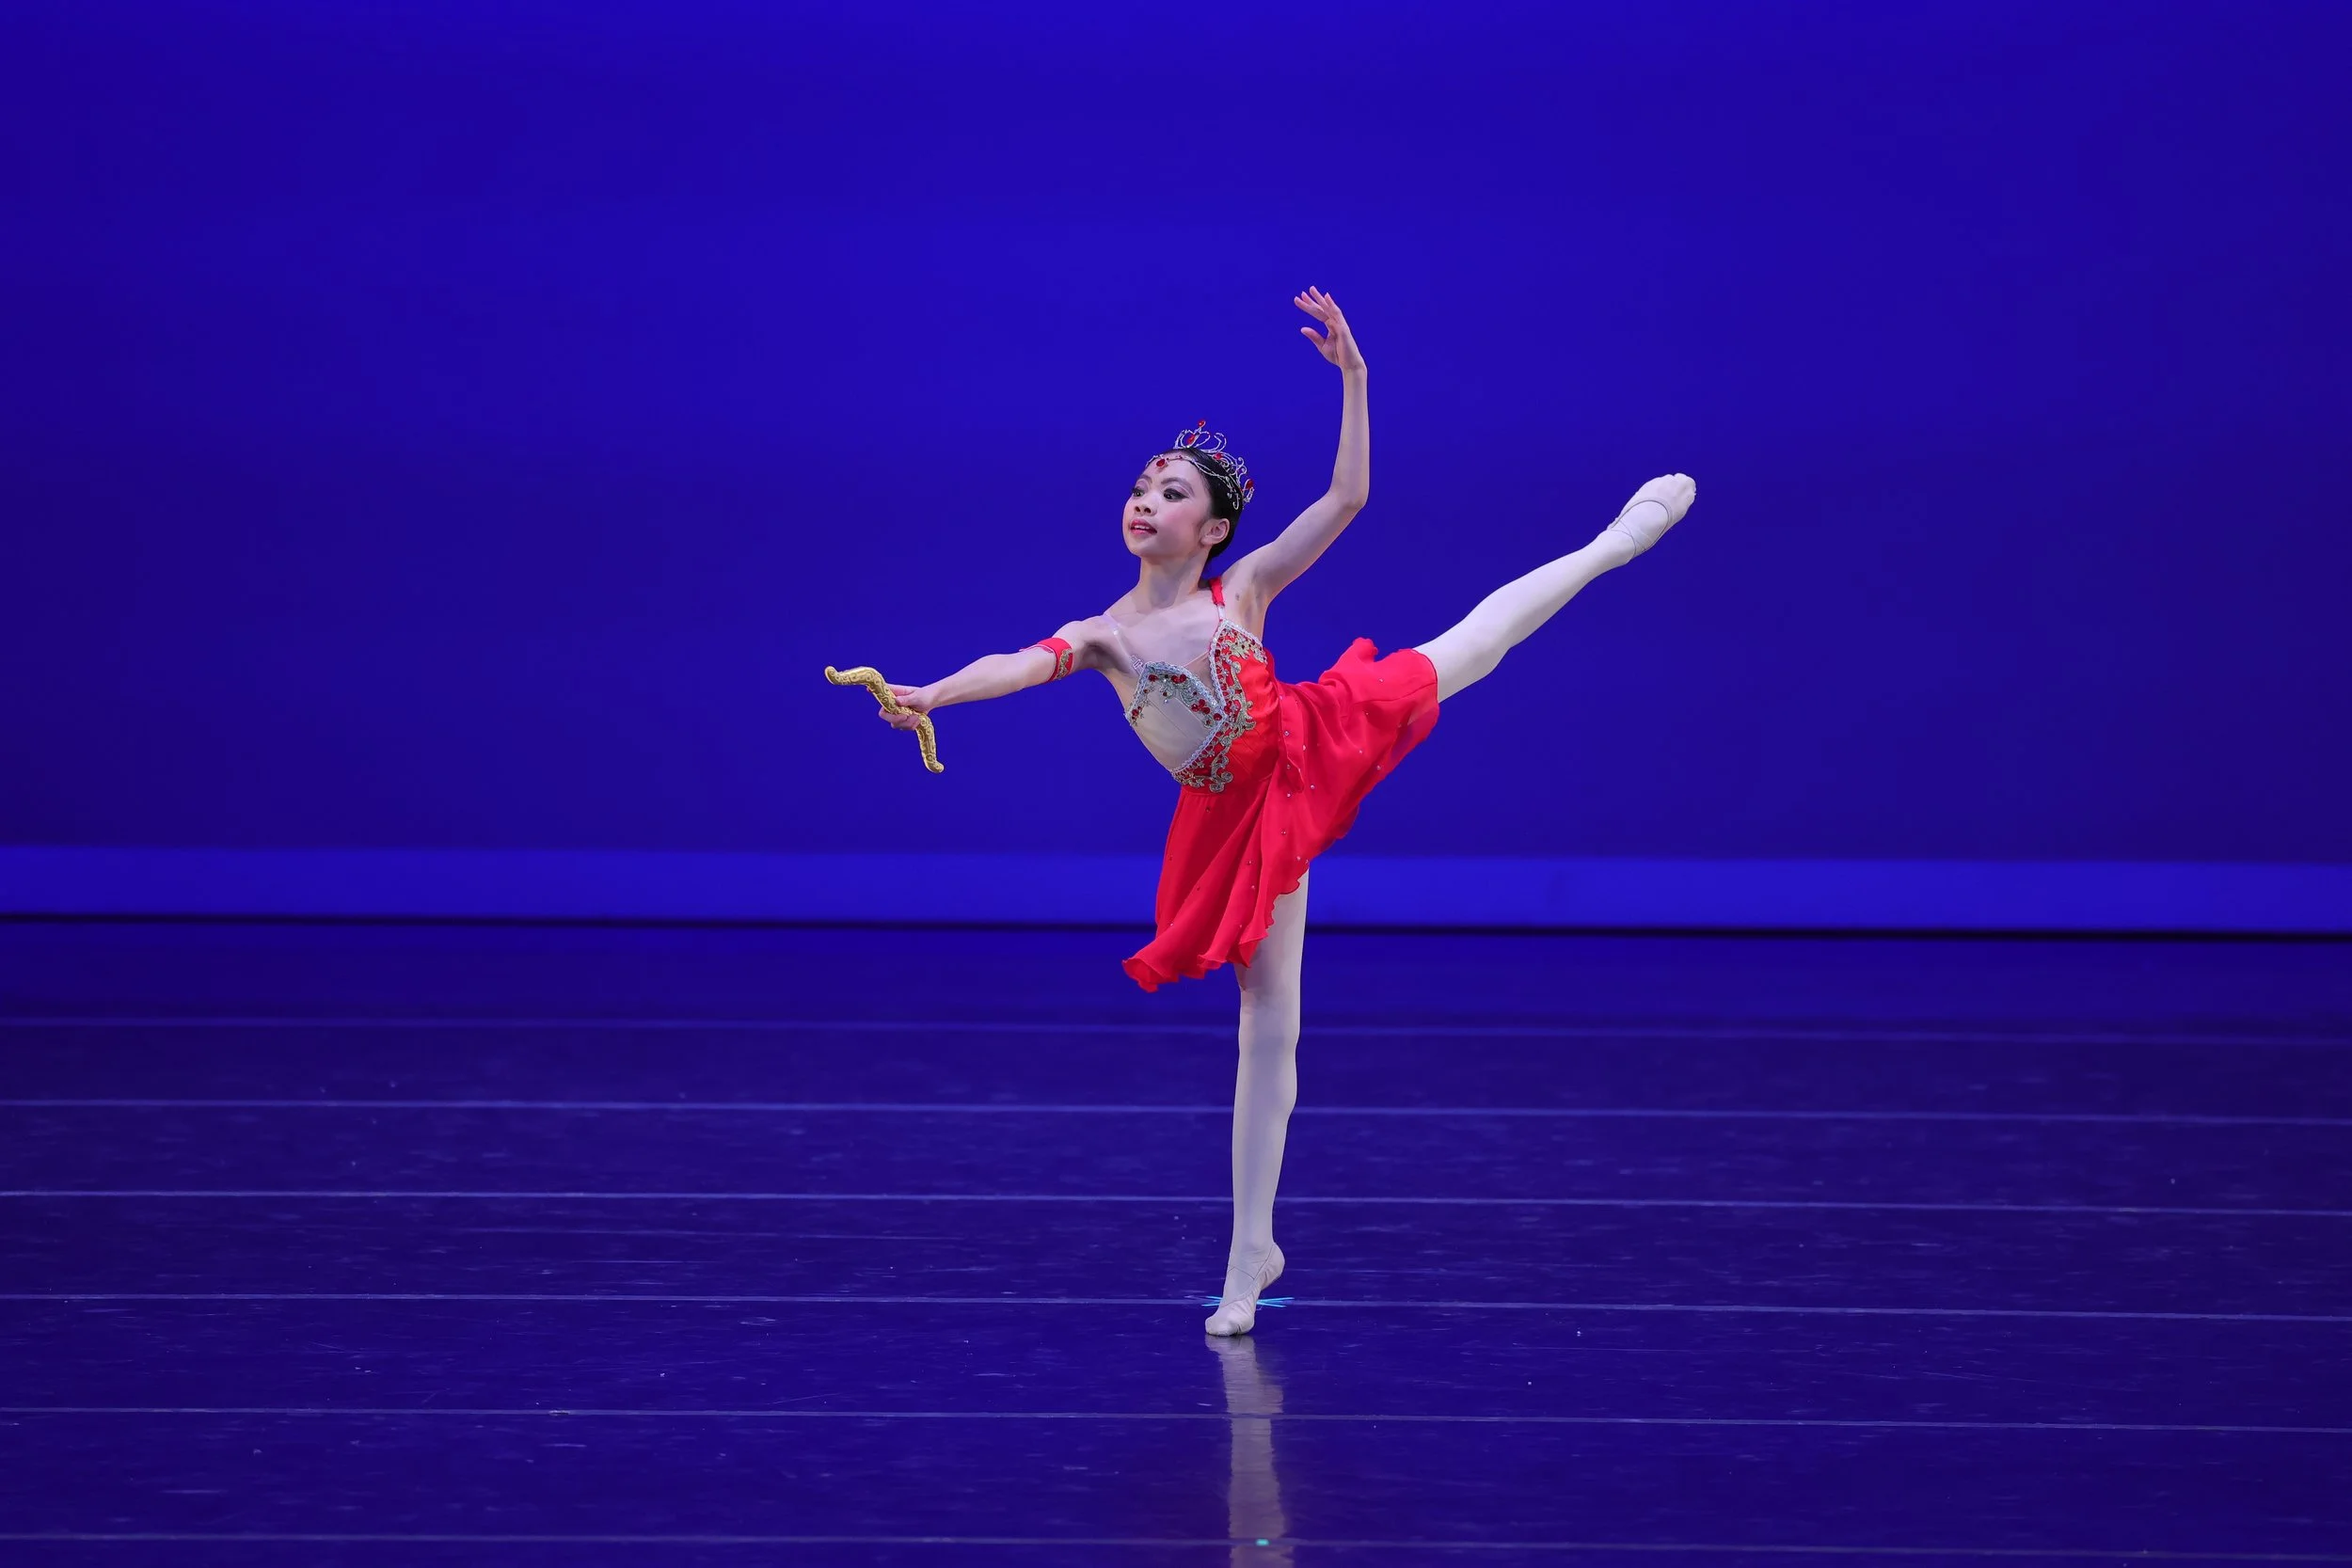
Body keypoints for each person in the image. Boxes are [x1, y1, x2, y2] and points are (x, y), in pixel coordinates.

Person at [877, 287, 1695, 1334]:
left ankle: (1611, 543)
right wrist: (933, 693)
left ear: (1211, 528)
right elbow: (1016, 660)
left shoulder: (1243, 589)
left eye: (1168, 492)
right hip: (1232, 818)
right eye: (1138, 486)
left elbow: (1347, 498)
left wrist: (1354, 375)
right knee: (1268, 1023)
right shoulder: (1102, 635)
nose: (1143, 501)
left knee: (1475, 645)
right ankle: (1250, 1248)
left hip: (1311, 741)